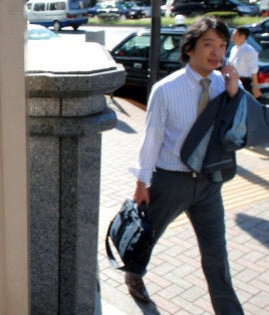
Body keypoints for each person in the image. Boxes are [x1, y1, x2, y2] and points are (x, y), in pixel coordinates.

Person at [127, 16, 244, 314]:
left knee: (216, 254)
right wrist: (142, 183)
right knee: (147, 237)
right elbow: (152, 139)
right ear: (190, 48)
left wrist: (235, 96)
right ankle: (134, 274)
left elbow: (237, 134)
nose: (216, 52)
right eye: (208, 44)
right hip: (170, 180)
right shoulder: (166, 89)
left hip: (209, 183)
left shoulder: (225, 86)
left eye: (221, 45)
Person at [229, 26, 261, 98]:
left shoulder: (249, 50)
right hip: (233, 82)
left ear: (242, 37)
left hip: (245, 83)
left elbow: (254, 69)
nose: (232, 37)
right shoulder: (234, 49)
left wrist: (256, 87)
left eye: (234, 35)